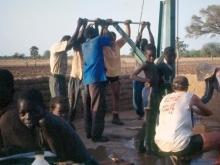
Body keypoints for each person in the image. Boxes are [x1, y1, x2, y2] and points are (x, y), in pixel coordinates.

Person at [17, 88, 99, 165]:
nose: (27, 117)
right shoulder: (39, 124)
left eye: (33, 111)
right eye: (22, 113)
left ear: (43, 108)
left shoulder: (46, 122)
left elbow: (59, 159)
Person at [154, 76, 220, 164]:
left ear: (173, 87)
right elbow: (208, 112)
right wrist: (194, 108)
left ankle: (181, 159)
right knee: (218, 136)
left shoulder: (165, 99)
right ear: (187, 87)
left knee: (187, 137)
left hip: (160, 143)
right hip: (180, 145)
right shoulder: (190, 96)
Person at [81, 19, 111, 142]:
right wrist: (106, 26)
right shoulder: (97, 41)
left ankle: (89, 132)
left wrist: (98, 26)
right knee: (97, 108)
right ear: (94, 34)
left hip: (87, 80)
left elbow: (98, 37)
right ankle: (96, 135)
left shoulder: (85, 45)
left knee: (88, 107)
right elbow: (108, 39)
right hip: (96, 79)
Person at [131, 44, 160, 153]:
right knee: (147, 120)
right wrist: (146, 80)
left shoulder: (154, 65)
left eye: (154, 56)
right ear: (145, 55)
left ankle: (144, 146)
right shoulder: (146, 64)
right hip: (148, 94)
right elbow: (132, 75)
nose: (152, 58)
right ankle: (146, 147)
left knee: (151, 120)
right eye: (150, 56)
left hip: (155, 93)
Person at [102, 20, 131, 125]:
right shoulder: (104, 46)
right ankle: (100, 116)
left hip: (115, 75)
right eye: (110, 39)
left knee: (116, 95)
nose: (112, 41)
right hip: (105, 74)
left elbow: (127, 36)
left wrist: (127, 25)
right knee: (101, 96)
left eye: (113, 39)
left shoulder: (118, 44)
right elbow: (103, 34)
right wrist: (105, 26)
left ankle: (115, 116)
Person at [49, 23, 79, 97]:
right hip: (56, 78)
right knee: (58, 101)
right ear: (65, 42)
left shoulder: (63, 51)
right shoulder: (56, 46)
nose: (70, 49)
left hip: (61, 78)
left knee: (63, 100)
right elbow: (70, 42)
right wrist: (78, 26)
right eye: (70, 46)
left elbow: (74, 40)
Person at [133, 22, 155, 119]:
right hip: (138, 78)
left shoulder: (148, 54)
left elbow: (153, 41)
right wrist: (142, 29)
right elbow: (136, 41)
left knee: (148, 97)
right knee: (138, 97)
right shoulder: (137, 52)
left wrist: (149, 29)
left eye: (144, 44)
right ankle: (140, 113)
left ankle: (148, 113)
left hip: (148, 78)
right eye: (142, 43)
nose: (142, 44)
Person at [68, 18, 87, 121]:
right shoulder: (76, 46)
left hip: (84, 78)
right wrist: (81, 26)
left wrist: (82, 27)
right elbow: (75, 39)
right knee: (72, 104)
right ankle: (70, 122)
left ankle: (86, 125)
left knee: (85, 104)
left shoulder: (87, 46)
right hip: (75, 77)